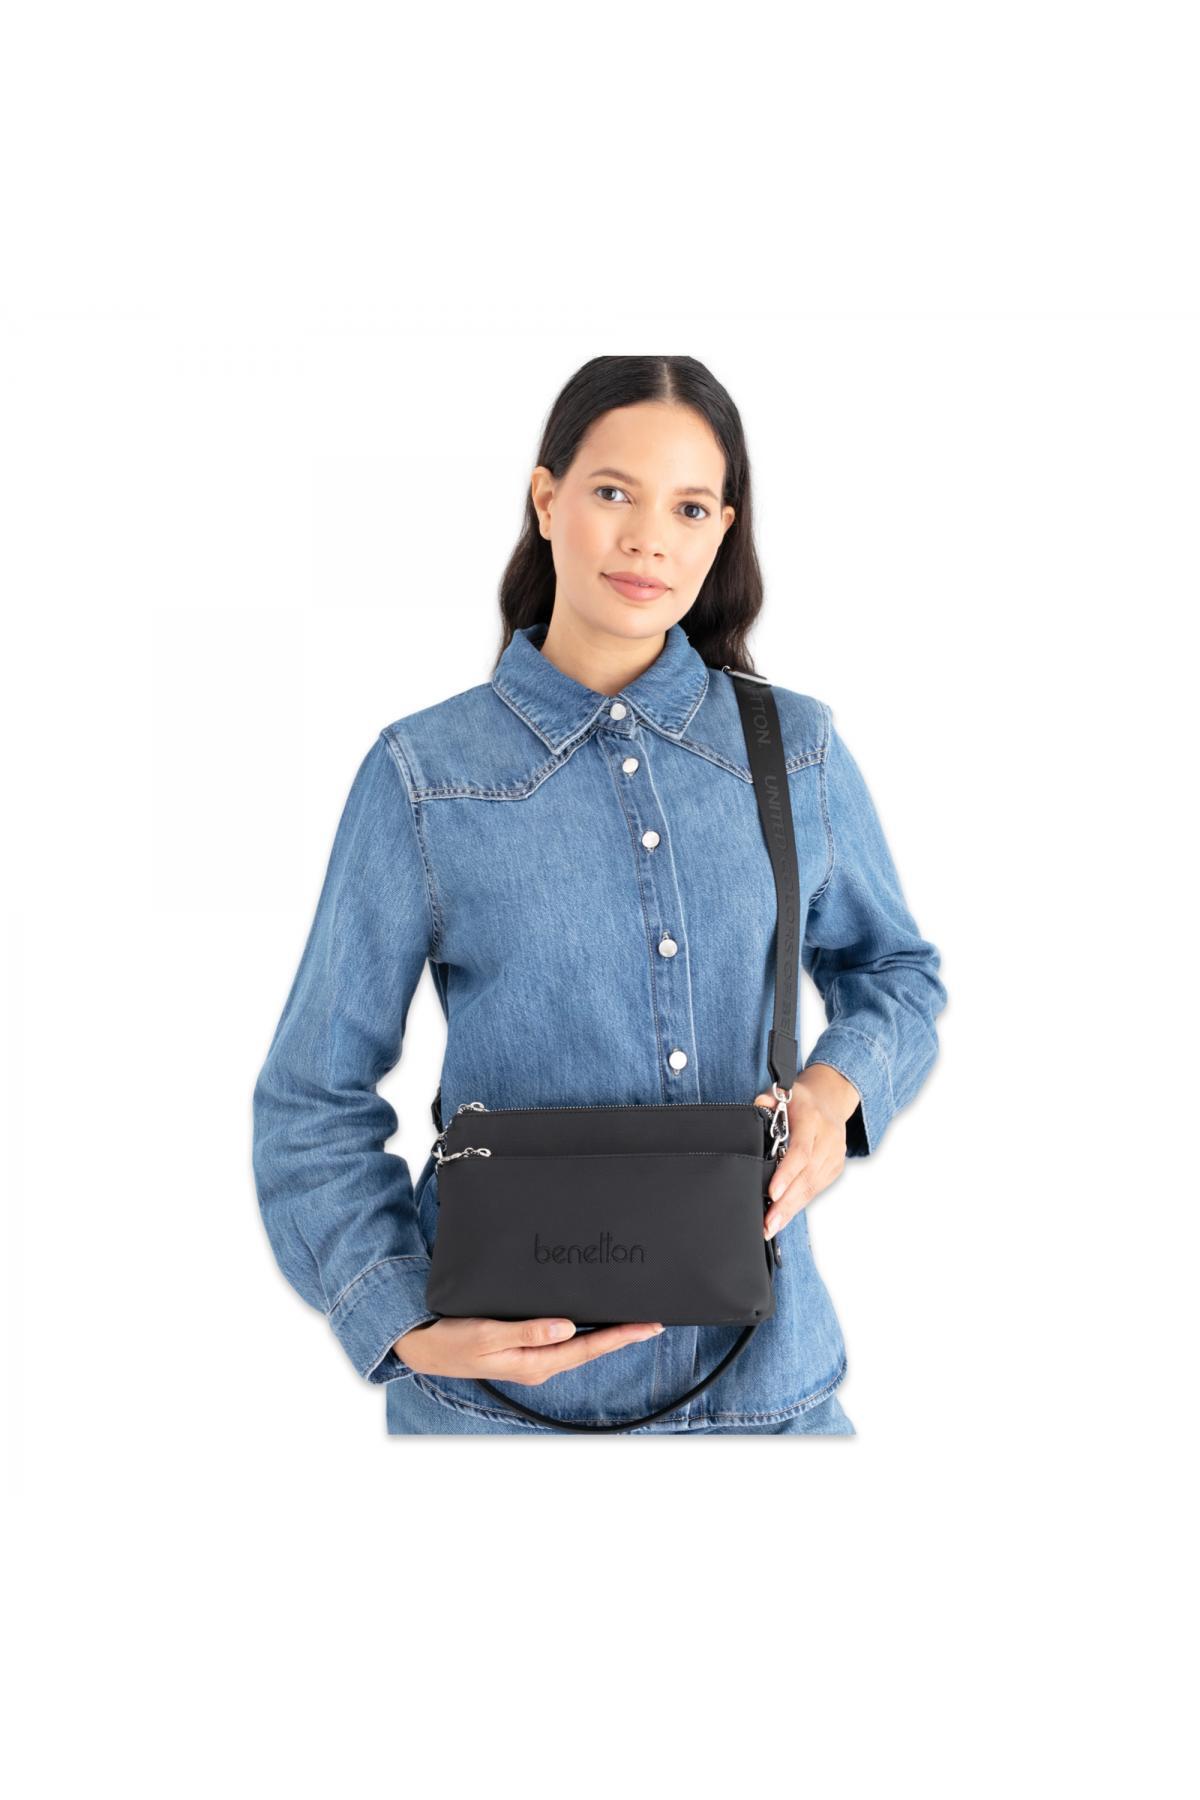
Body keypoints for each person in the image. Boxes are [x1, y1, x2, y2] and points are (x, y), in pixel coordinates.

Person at [251, 354, 947, 1435]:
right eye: (615, 492)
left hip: (767, 1400)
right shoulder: (424, 775)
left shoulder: (794, 750)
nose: (648, 540)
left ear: (722, 531)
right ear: (546, 500)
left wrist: (833, 1088)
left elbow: (895, 972)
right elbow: (311, 1096)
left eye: (689, 508)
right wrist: (401, 1322)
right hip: (499, 1415)